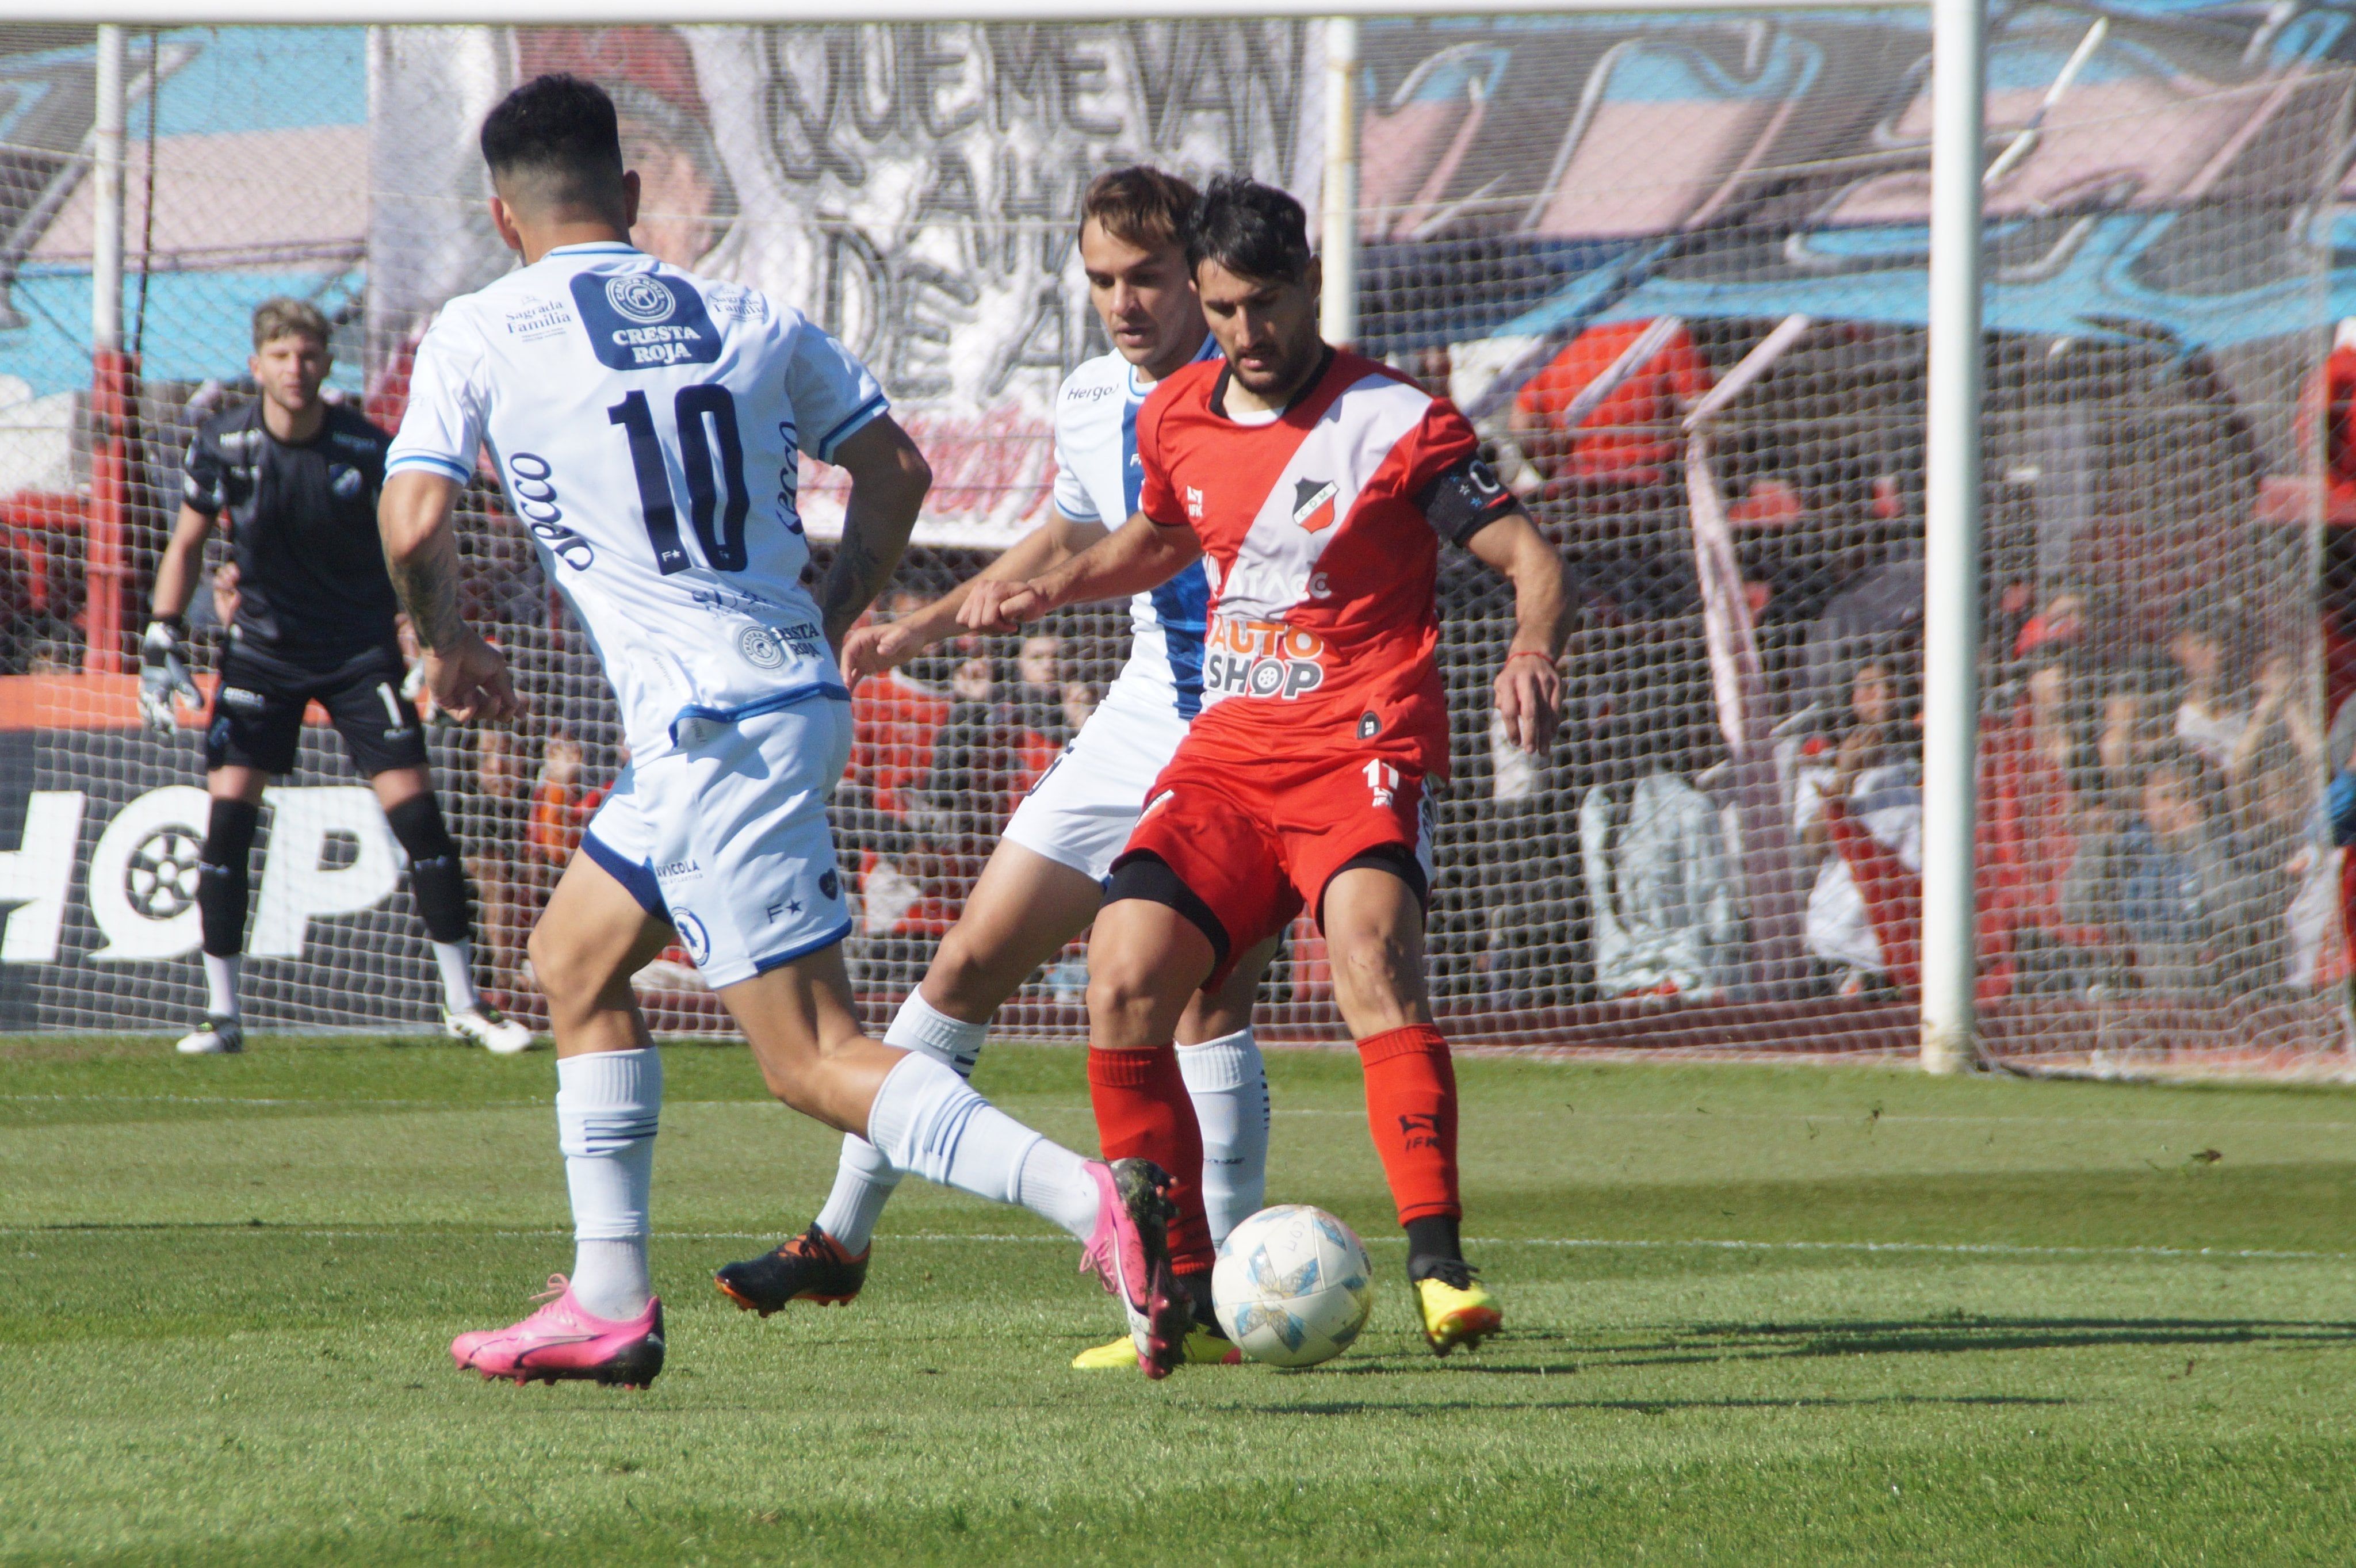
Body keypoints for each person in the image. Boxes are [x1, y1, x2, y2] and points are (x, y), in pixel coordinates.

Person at [377, 75, 1190, 1387]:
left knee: (810, 1057)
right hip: (768, 699)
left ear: (500, 213)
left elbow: (413, 523)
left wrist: (442, 640)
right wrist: (827, 610)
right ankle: (609, 1301)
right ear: (631, 197)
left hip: (711, 733)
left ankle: (1092, 1199)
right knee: (574, 958)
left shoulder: (481, 329)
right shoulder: (743, 310)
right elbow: (898, 472)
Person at [969, 176, 1571, 1356]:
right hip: (1230, 755)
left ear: (1308, 289)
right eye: (1226, 306)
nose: (1248, 333)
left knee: (1368, 957)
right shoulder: (1176, 413)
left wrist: (1531, 649)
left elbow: (1529, 558)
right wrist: (1054, 583)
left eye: (1267, 304)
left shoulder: (1396, 422)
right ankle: (1178, 1296)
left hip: (1359, 745)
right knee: (1123, 976)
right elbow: (1159, 538)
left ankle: (1439, 1268)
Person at [718, 166, 1278, 1371]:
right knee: (966, 960)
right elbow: (1073, 526)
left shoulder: (1251, 390)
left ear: (1198, 275)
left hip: (1256, 725)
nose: (1124, 302)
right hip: (1143, 712)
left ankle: (1222, 1291)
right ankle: (841, 1236)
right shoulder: (1089, 395)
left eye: (1147, 278)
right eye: (1101, 281)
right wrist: (923, 622)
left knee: (1205, 1002)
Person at [140, 297, 530, 1058]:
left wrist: (428, 628)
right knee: (227, 829)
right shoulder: (222, 442)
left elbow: (416, 540)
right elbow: (186, 544)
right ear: (257, 366)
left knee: (420, 821)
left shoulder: (364, 445)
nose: (297, 368)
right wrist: (163, 632)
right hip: (260, 654)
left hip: (358, 655)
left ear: (327, 364)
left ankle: (465, 1003)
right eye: (282, 355)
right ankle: (222, 1015)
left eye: (310, 354)